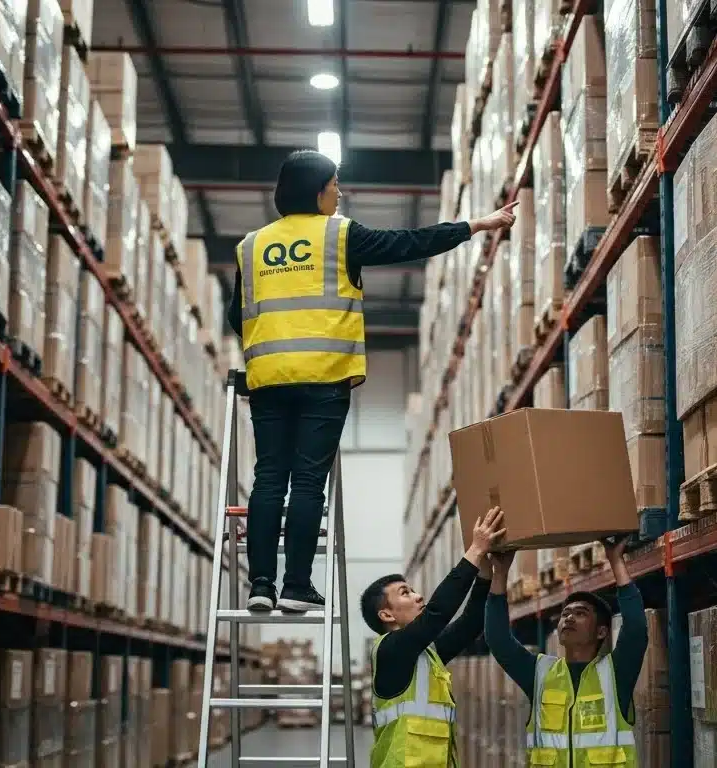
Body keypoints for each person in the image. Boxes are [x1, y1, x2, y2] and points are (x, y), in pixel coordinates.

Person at [228, 149, 519, 613]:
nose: (339, 193)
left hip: (268, 380)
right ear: (318, 190)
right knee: (306, 484)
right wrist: (476, 225)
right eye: (334, 185)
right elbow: (409, 242)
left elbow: (236, 318)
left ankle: (260, 584)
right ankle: (296, 587)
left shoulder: (250, 246)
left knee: (268, 480)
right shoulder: (339, 235)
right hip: (323, 378)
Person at [360, 507, 507, 767]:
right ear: (386, 615)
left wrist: (486, 572)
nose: (418, 596)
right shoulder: (390, 651)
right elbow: (438, 613)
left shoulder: (427, 653)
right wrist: (474, 551)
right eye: (405, 593)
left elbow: (469, 625)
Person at [486, 538, 645, 767]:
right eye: (564, 614)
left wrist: (616, 562)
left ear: (601, 632)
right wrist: (499, 574)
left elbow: (636, 630)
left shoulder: (615, 675)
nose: (568, 617)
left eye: (580, 613)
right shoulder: (540, 674)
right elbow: (498, 639)